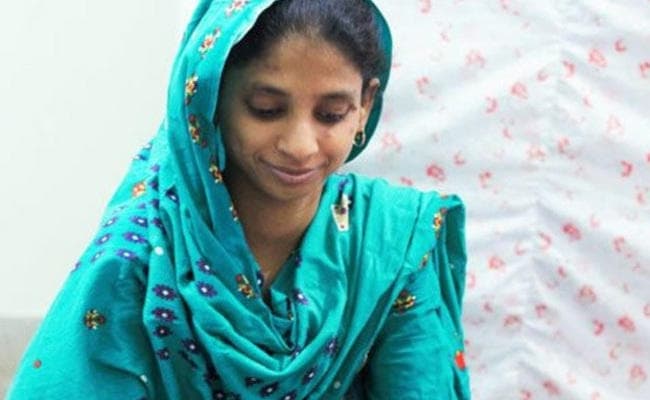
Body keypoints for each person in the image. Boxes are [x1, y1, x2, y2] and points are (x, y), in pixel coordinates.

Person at [8, 0, 470, 398]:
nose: (300, 145)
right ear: (209, 96)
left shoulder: (393, 244)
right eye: (266, 110)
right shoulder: (142, 256)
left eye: (331, 114)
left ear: (365, 105)